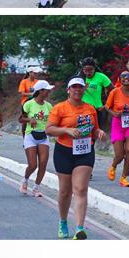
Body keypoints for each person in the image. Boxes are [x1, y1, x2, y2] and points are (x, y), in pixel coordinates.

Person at [46, 77, 107, 240]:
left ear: (83, 89)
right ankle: (63, 221)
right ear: (68, 90)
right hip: (64, 152)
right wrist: (67, 130)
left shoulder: (90, 109)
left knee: (80, 189)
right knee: (65, 191)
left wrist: (99, 133)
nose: (77, 90)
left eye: (80, 87)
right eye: (74, 87)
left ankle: (79, 228)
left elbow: (94, 129)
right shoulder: (60, 108)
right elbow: (49, 129)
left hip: (85, 151)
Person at [104, 71, 129, 187]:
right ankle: (113, 166)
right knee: (120, 155)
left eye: (128, 77)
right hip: (118, 124)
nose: (126, 78)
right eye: (123, 77)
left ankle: (124, 178)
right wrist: (114, 114)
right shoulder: (115, 92)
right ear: (120, 79)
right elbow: (107, 107)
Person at [20, 79, 53, 196]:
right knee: (33, 164)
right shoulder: (28, 104)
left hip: (44, 136)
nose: (49, 92)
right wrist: (30, 119)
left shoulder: (49, 106)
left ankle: (36, 188)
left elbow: (52, 121)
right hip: (31, 135)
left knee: (43, 163)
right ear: (41, 91)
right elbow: (21, 119)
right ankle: (25, 180)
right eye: (47, 90)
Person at [80, 57, 112, 126]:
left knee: (97, 133)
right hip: (82, 109)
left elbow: (114, 91)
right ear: (82, 69)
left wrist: (106, 105)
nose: (88, 73)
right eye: (86, 70)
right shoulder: (79, 78)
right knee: (85, 133)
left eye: (90, 70)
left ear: (95, 68)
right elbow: (72, 94)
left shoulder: (101, 77)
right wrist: (82, 89)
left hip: (97, 109)